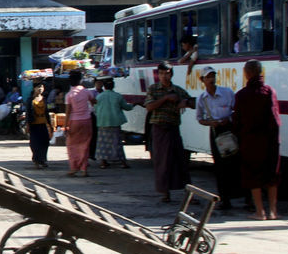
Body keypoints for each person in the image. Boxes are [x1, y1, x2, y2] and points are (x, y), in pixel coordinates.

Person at [232, 60, 281, 220]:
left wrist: (239, 137)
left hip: (250, 141)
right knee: (272, 175)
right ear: (261, 72)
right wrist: (275, 139)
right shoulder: (269, 91)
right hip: (270, 140)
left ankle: (260, 212)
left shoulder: (241, 95)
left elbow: (237, 121)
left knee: (253, 175)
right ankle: (273, 211)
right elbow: (275, 119)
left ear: (247, 73)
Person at [144, 62, 192, 203]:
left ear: (171, 74)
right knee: (162, 161)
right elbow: (149, 107)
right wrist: (165, 99)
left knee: (180, 161)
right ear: (158, 75)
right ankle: (165, 193)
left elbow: (190, 101)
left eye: (167, 73)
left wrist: (186, 102)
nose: (164, 76)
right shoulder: (153, 89)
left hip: (173, 128)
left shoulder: (177, 90)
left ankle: (188, 193)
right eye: (161, 73)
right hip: (159, 128)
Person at [195, 66, 240, 211]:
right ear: (202, 80)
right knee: (220, 167)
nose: (211, 79)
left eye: (213, 76)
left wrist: (229, 119)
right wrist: (210, 123)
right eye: (208, 77)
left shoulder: (227, 92)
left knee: (235, 164)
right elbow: (200, 119)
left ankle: (244, 198)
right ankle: (225, 200)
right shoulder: (202, 98)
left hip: (229, 130)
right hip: (215, 132)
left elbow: (236, 110)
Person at [94, 78, 136, 169]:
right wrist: (135, 104)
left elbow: (95, 109)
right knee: (117, 143)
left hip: (102, 122)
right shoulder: (118, 96)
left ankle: (103, 162)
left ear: (104, 87)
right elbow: (127, 107)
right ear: (113, 86)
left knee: (102, 143)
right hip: (115, 122)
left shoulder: (99, 97)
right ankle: (122, 162)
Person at [65, 70, 95, 177]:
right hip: (87, 120)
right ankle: (84, 169)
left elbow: (68, 111)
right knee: (85, 145)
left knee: (72, 145)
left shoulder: (69, 94)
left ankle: (74, 167)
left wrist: (65, 126)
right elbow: (94, 102)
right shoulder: (86, 92)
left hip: (74, 121)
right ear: (80, 80)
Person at [26, 83, 53, 168]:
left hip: (43, 123)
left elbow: (47, 112)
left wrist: (50, 124)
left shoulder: (44, 99)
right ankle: (36, 160)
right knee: (34, 143)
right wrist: (27, 125)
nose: (40, 89)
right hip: (33, 124)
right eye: (38, 87)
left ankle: (42, 160)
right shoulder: (30, 100)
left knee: (45, 142)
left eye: (41, 87)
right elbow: (28, 113)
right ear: (34, 88)